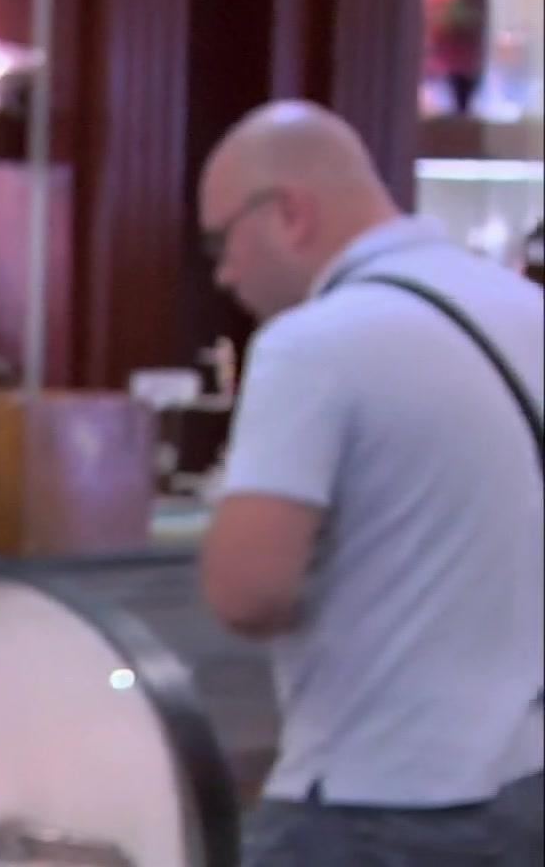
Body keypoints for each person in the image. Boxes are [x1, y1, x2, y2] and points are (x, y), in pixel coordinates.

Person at [197, 100, 544, 866]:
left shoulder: (312, 345)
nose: (225, 274)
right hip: (524, 782)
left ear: (289, 212)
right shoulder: (527, 312)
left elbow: (246, 592)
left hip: (372, 798)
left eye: (222, 241)